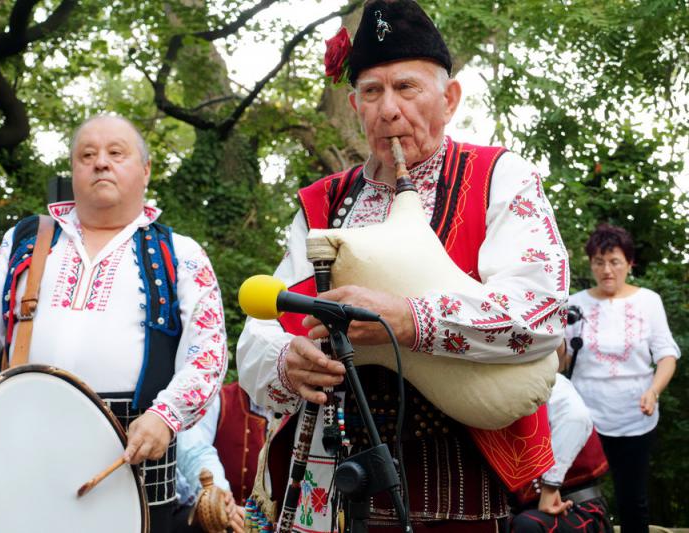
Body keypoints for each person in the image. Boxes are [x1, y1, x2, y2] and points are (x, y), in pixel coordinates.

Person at [237, 1, 569, 531]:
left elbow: (543, 312)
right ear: (355, 105)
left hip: (452, 483)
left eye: (406, 87)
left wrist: (410, 319)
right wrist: (286, 361)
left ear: (450, 98)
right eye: (372, 92)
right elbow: (261, 329)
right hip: (325, 486)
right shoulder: (323, 203)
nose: (388, 109)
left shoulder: (498, 177)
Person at [0, 114, 228, 531]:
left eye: (116, 153)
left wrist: (167, 416)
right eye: (86, 155)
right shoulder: (25, 241)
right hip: (24, 453)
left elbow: (207, 354)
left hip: (135, 464)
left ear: (145, 170)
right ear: (73, 171)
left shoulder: (182, 252)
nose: (100, 163)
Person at [565, 223, 679, 533]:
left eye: (615, 261)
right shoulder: (574, 303)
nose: (606, 270)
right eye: (599, 262)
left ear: (630, 263)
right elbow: (562, 360)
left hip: (634, 417)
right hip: (584, 419)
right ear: (591, 264)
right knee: (578, 499)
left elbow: (666, 355)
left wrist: (654, 391)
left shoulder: (649, 301)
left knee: (633, 501)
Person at [511, 374, 612, 533]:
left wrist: (550, 487)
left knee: (527, 525)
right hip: (522, 512)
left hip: (576, 508)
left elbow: (576, 418)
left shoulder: (549, 379)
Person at [173, 382, 269, 533]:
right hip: (224, 522)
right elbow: (194, 452)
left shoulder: (300, 410)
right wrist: (219, 502)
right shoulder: (217, 399)